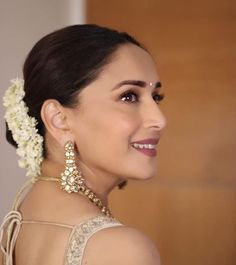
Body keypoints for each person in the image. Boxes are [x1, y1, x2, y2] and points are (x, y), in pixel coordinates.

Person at [0, 24, 166, 265]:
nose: (160, 120)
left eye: (156, 98)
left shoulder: (17, 223)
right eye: (129, 96)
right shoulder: (122, 249)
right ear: (60, 120)